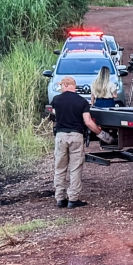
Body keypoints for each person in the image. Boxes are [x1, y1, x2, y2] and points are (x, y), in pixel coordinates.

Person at [50, 76, 110, 208]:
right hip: (76, 136)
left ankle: (60, 198)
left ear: (66, 85)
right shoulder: (82, 102)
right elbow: (88, 122)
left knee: (60, 168)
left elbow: (55, 116)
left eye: (61, 85)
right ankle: (73, 199)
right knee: (75, 168)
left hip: (60, 136)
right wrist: (100, 134)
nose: (60, 88)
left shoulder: (56, 100)